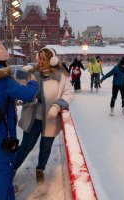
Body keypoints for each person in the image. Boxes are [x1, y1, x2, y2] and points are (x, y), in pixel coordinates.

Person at [13, 47, 73, 184]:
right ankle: (13, 168)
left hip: (50, 120)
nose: (40, 61)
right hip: (33, 119)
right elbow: (17, 78)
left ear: (52, 61)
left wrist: (58, 105)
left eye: (44, 59)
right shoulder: (33, 72)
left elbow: (68, 93)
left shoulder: (61, 76)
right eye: (39, 58)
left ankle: (40, 169)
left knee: (46, 148)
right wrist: (25, 69)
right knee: (26, 146)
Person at [0, 39, 38, 200]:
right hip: (2, 133)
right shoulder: (2, 79)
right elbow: (27, 94)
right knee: (4, 171)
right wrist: (33, 82)